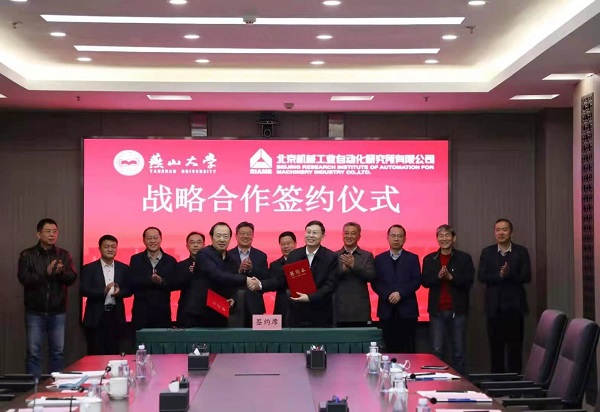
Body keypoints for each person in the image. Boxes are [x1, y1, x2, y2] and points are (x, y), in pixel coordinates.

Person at [17, 218, 77, 376]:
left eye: (55, 231)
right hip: (34, 311)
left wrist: (61, 273)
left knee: (58, 352)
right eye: (48, 231)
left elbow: (72, 278)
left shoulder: (63, 254)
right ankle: (34, 386)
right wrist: (47, 273)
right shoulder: (27, 255)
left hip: (57, 311)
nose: (52, 235)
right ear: (39, 234)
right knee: (34, 353)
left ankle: (55, 385)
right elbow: (24, 279)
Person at [260, 220, 338, 327]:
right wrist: (261, 284)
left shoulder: (331, 257)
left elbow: (330, 286)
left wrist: (309, 297)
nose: (311, 235)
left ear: (322, 236)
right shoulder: (294, 255)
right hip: (296, 312)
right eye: (308, 232)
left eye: (315, 233)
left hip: (321, 313)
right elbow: (283, 279)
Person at [478, 218, 531, 373]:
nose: (501, 233)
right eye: (498, 230)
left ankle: (515, 382)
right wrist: (500, 275)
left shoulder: (521, 252)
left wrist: (509, 274)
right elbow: (481, 276)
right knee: (496, 349)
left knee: (515, 349)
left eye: (504, 229)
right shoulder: (487, 252)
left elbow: (526, 276)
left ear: (511, 233)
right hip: (494, 308)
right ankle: (497, 383)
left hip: (515, 308)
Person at [182, 222, 260, 327]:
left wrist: (233, 298)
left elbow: (233, 284)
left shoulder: (232, 259)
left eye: (225, 236)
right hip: (199, 313)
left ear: (230, 238)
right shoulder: (203, 254)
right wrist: (246, 279)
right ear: (211, 237)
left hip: (220, 311)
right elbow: (217, 275)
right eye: (218, 236)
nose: (222, 239)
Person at [421, 225, 474, 374]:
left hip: (457, 311)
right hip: (437, 311)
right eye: (441, 236)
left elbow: (469, 281)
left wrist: (451, 277)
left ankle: (460, 383)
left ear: (454, 238)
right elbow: (424, 282)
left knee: (458, 351)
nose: (444, 239)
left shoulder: (464, 258)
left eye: (447, 235)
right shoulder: (429, 259)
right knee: (437, 350)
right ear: (437, 239)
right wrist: (438, 277)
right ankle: (438, 383)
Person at [373, 224, 421, 353]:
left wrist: (400, 293)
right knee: (387, 348)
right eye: (393, 236)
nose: (396, 239)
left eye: (399, 236)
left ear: (404, 239)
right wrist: (388, 294)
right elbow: (375, 282)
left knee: (408, 349)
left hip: (407, 311)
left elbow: (416, 280)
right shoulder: (379, 259)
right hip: (386, 310)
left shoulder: (412, 258)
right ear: (387, 238)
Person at [80, 234, 131, 355]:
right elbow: (84, 290)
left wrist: (119, 292)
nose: (110, 249)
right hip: (96, 317)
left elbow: (129, 290)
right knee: (95, 353)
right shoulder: (89, 268)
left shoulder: (124, 268)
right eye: (106, 246)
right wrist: (104, 291)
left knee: (114, 352)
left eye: (113, 246)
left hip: (116, 316)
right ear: (100, 248)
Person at [129, 227, 177, 330]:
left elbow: (174, 284)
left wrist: (161, 281)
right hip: (141, 313)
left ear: (161, 239)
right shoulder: (136, 259)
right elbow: (132, 281)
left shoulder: (170, 260)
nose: (152, 241)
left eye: (155, 238)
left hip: (162, 313)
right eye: (149, 238)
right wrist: (150, 280)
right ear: (144, 240)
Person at [227, 222, 269, 327]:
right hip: (233, 303)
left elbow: (266, 279)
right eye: (242, 233)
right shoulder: (227, 255)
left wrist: (251, 270)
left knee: (256, 336)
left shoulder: (261, 256)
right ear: (236, 235)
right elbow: (223, 277)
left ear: (253, 236)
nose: (245, 236)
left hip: (255, 305)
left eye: (249, 234)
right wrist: (239, 270)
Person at [335, 222, 376, 327]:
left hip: (360, 309)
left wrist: (353, 266)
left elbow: (371, 276)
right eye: (346, 233)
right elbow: (329, 278)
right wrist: (342, 270)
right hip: (339, 308)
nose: (349, 236)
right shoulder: (334, 256)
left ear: (359, 236)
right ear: (342, 235)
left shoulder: (367, 256)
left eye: (353, 233)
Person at [175, 231, 205, 326]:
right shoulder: (180, 266)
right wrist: (190, 274)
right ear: (187, 246)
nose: (195, 245)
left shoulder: (212, 265)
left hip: (207, 310)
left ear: (204, 245)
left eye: (198, 242)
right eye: (192, 242)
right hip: (186, 310)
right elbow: (175, 284)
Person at [268, 231, 297, 324]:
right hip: (282, 306)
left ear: (295, 244)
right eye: (283, 244)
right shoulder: (275, 265)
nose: (286, 246)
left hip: (301, 305)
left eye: (288, 243)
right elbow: (273, 284)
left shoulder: (304, 261)